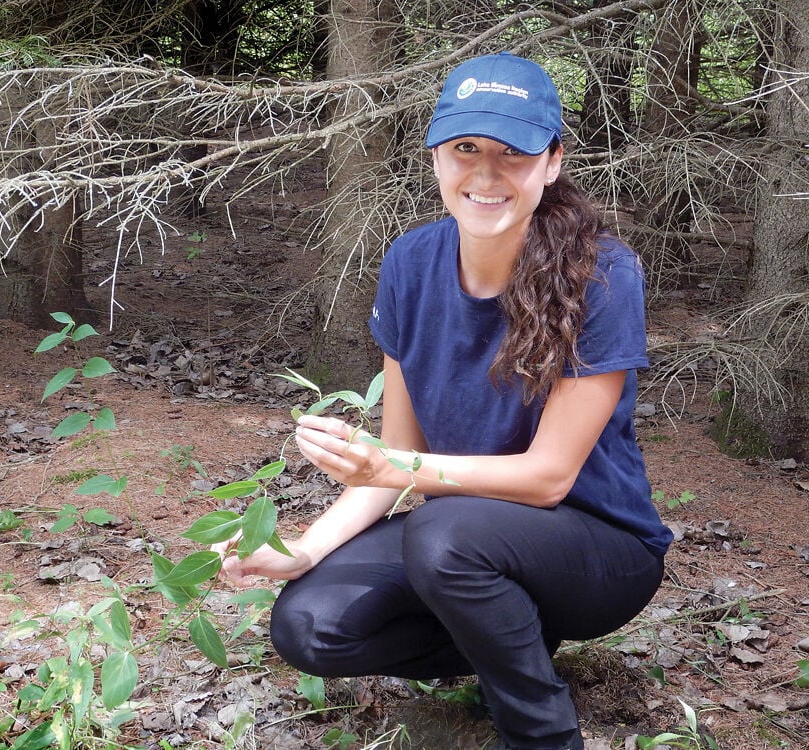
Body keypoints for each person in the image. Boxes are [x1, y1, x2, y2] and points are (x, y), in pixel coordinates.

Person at [216, 52, 673, 750]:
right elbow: (400, 455)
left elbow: (548, 479)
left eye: (512, 153)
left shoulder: (602, 275)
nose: (485, 175)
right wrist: (303, 551)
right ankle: (513, 640)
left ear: (551, 162)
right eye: (465, 149)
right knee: (308, 626)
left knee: (443, 532)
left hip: (599, 548)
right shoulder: (411, 262)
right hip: (469, 544)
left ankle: (541, 734)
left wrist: (394, 468)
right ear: (435, 156)